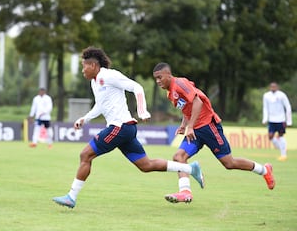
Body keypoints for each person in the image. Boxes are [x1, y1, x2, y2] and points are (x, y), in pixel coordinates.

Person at [52, 47, 204, 209]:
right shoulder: (95, 82)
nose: (83, 70)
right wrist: (85, 118)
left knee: (85, 155)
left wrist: (142, 110)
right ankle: (190, 168)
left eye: (84, 66)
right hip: (125, 130)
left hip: (120, 127)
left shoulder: (110, 75)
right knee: (146, 165)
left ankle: (71, 197)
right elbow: (100, 105)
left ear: (94, 66)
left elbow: (137, 88)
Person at [152, 62, 275, 204]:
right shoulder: (170, 93)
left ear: (168, 74)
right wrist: (184, 125)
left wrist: (190, 126)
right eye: (156, 78)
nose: (158, 81)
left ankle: (264, 170)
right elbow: (187, 108)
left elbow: (197, 102)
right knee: (179, 156)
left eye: (160, 77)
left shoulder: (179, 83)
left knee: (229, 163)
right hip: (195, 131)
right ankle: (185, 192)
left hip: (208, 127)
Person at [262, 82, 292, 161]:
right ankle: (282, 148)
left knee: (281, 135)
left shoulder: (282, 95)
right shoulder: (266, 96)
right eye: (272, 86)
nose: (273, 88)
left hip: (280, 119)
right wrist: (265, 119)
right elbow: (265, 108)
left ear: (277, 87)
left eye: (274, 86)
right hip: (271, 120)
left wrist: (289, 121)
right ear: (269, 87)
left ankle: (283, 155)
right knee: (270, 136)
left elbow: (288, 106)